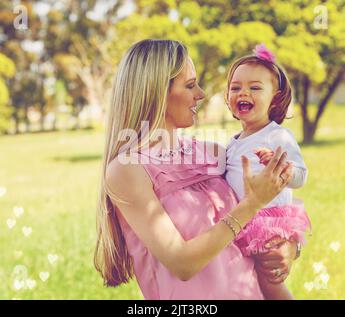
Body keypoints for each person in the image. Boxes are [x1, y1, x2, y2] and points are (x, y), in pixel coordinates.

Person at [94, 39, 299, 300]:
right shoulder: (127, 170)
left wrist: (290, 246)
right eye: (190, 85)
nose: (200, 94)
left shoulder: (214, 153)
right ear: (156, 92)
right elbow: (182, 263)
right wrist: (252, 204)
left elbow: (274, 203)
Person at [224, 44, 311, 299]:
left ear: (275, 97)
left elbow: (301, 177)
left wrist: (281, 167)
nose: (244, 93)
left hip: (266, 221)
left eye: (255, 87)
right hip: (242, 219)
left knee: (269, 281)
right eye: (236, 87)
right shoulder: (234, 141)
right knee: (247, 283)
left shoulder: (277, 135)